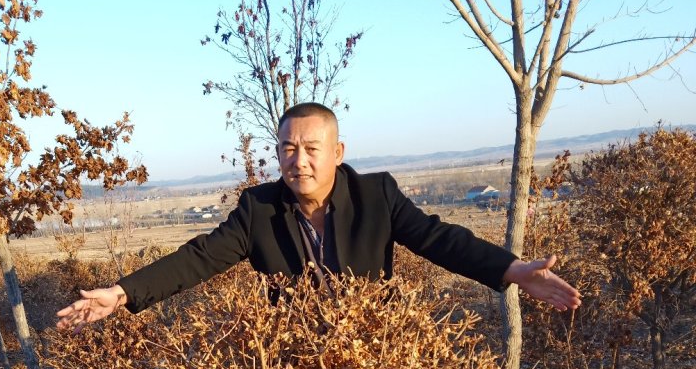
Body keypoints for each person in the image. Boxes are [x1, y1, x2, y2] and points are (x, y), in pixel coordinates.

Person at [56, 102, 580, 332]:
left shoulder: (376, 194)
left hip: (371, 358)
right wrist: (122, 294)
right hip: (291, 363)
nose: (297, 160)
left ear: (337, 151)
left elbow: (437, 238)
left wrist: (509, 269)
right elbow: (198, 259)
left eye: (311, 147)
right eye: (287, 148)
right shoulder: (256, 209)